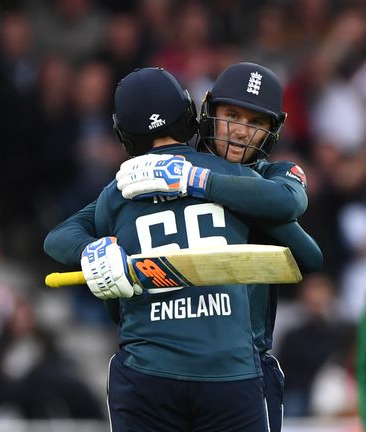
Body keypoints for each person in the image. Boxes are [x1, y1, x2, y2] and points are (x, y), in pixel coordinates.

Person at [44, 62, 322, 432]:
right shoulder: (140, 180)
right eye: (232, 115)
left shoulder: (266, 176)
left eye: (256, 123)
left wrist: (198, 181)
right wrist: (92, 251)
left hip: (238, 360)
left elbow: (305, 244)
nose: (240, 131)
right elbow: (63, 235)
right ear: (204, 112)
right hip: (227, 371)